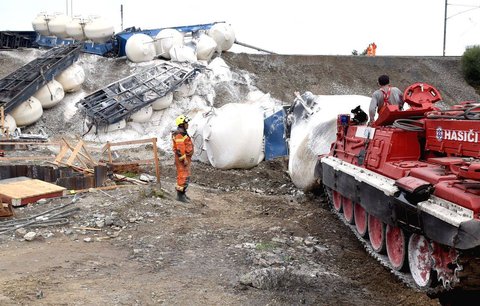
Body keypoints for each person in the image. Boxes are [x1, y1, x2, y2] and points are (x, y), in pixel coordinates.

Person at [172, 114, 194, 202]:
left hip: (185, 158)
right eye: (186, 123)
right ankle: (180, 196)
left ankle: (183, 193)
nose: (187, 124)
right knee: (183, 176)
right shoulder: (179, 134)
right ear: (181, 124)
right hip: (182, 159)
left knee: (186, 176)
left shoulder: (182, 132)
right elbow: (179, 149)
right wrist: (184, 159)